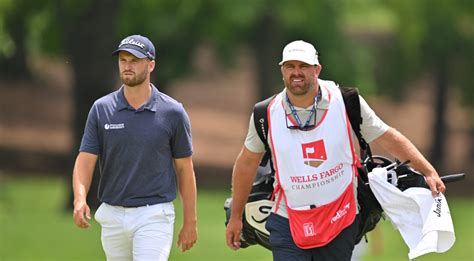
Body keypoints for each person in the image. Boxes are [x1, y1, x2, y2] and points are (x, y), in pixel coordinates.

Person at [225, 40, 445, 261]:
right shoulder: (265, 114)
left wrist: (428, 170)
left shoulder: (346, 101)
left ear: (317, 69)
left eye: (303, 66)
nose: (296, 72)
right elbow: (246, 164)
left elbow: (386, 136)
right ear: (282, 70)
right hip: (287, 220)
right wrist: (236, 217)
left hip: (340, 219)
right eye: (290, 66)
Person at [72, 34, 197, 261]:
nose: (127, 66)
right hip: (112, 214)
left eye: (135, 60)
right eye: (123, 60)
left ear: (151, 65)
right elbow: (85, 160)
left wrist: (190, 221)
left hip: (154, 214)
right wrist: (80, 199)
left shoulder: (173, 112)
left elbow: (184, 169)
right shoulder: (101, 109)